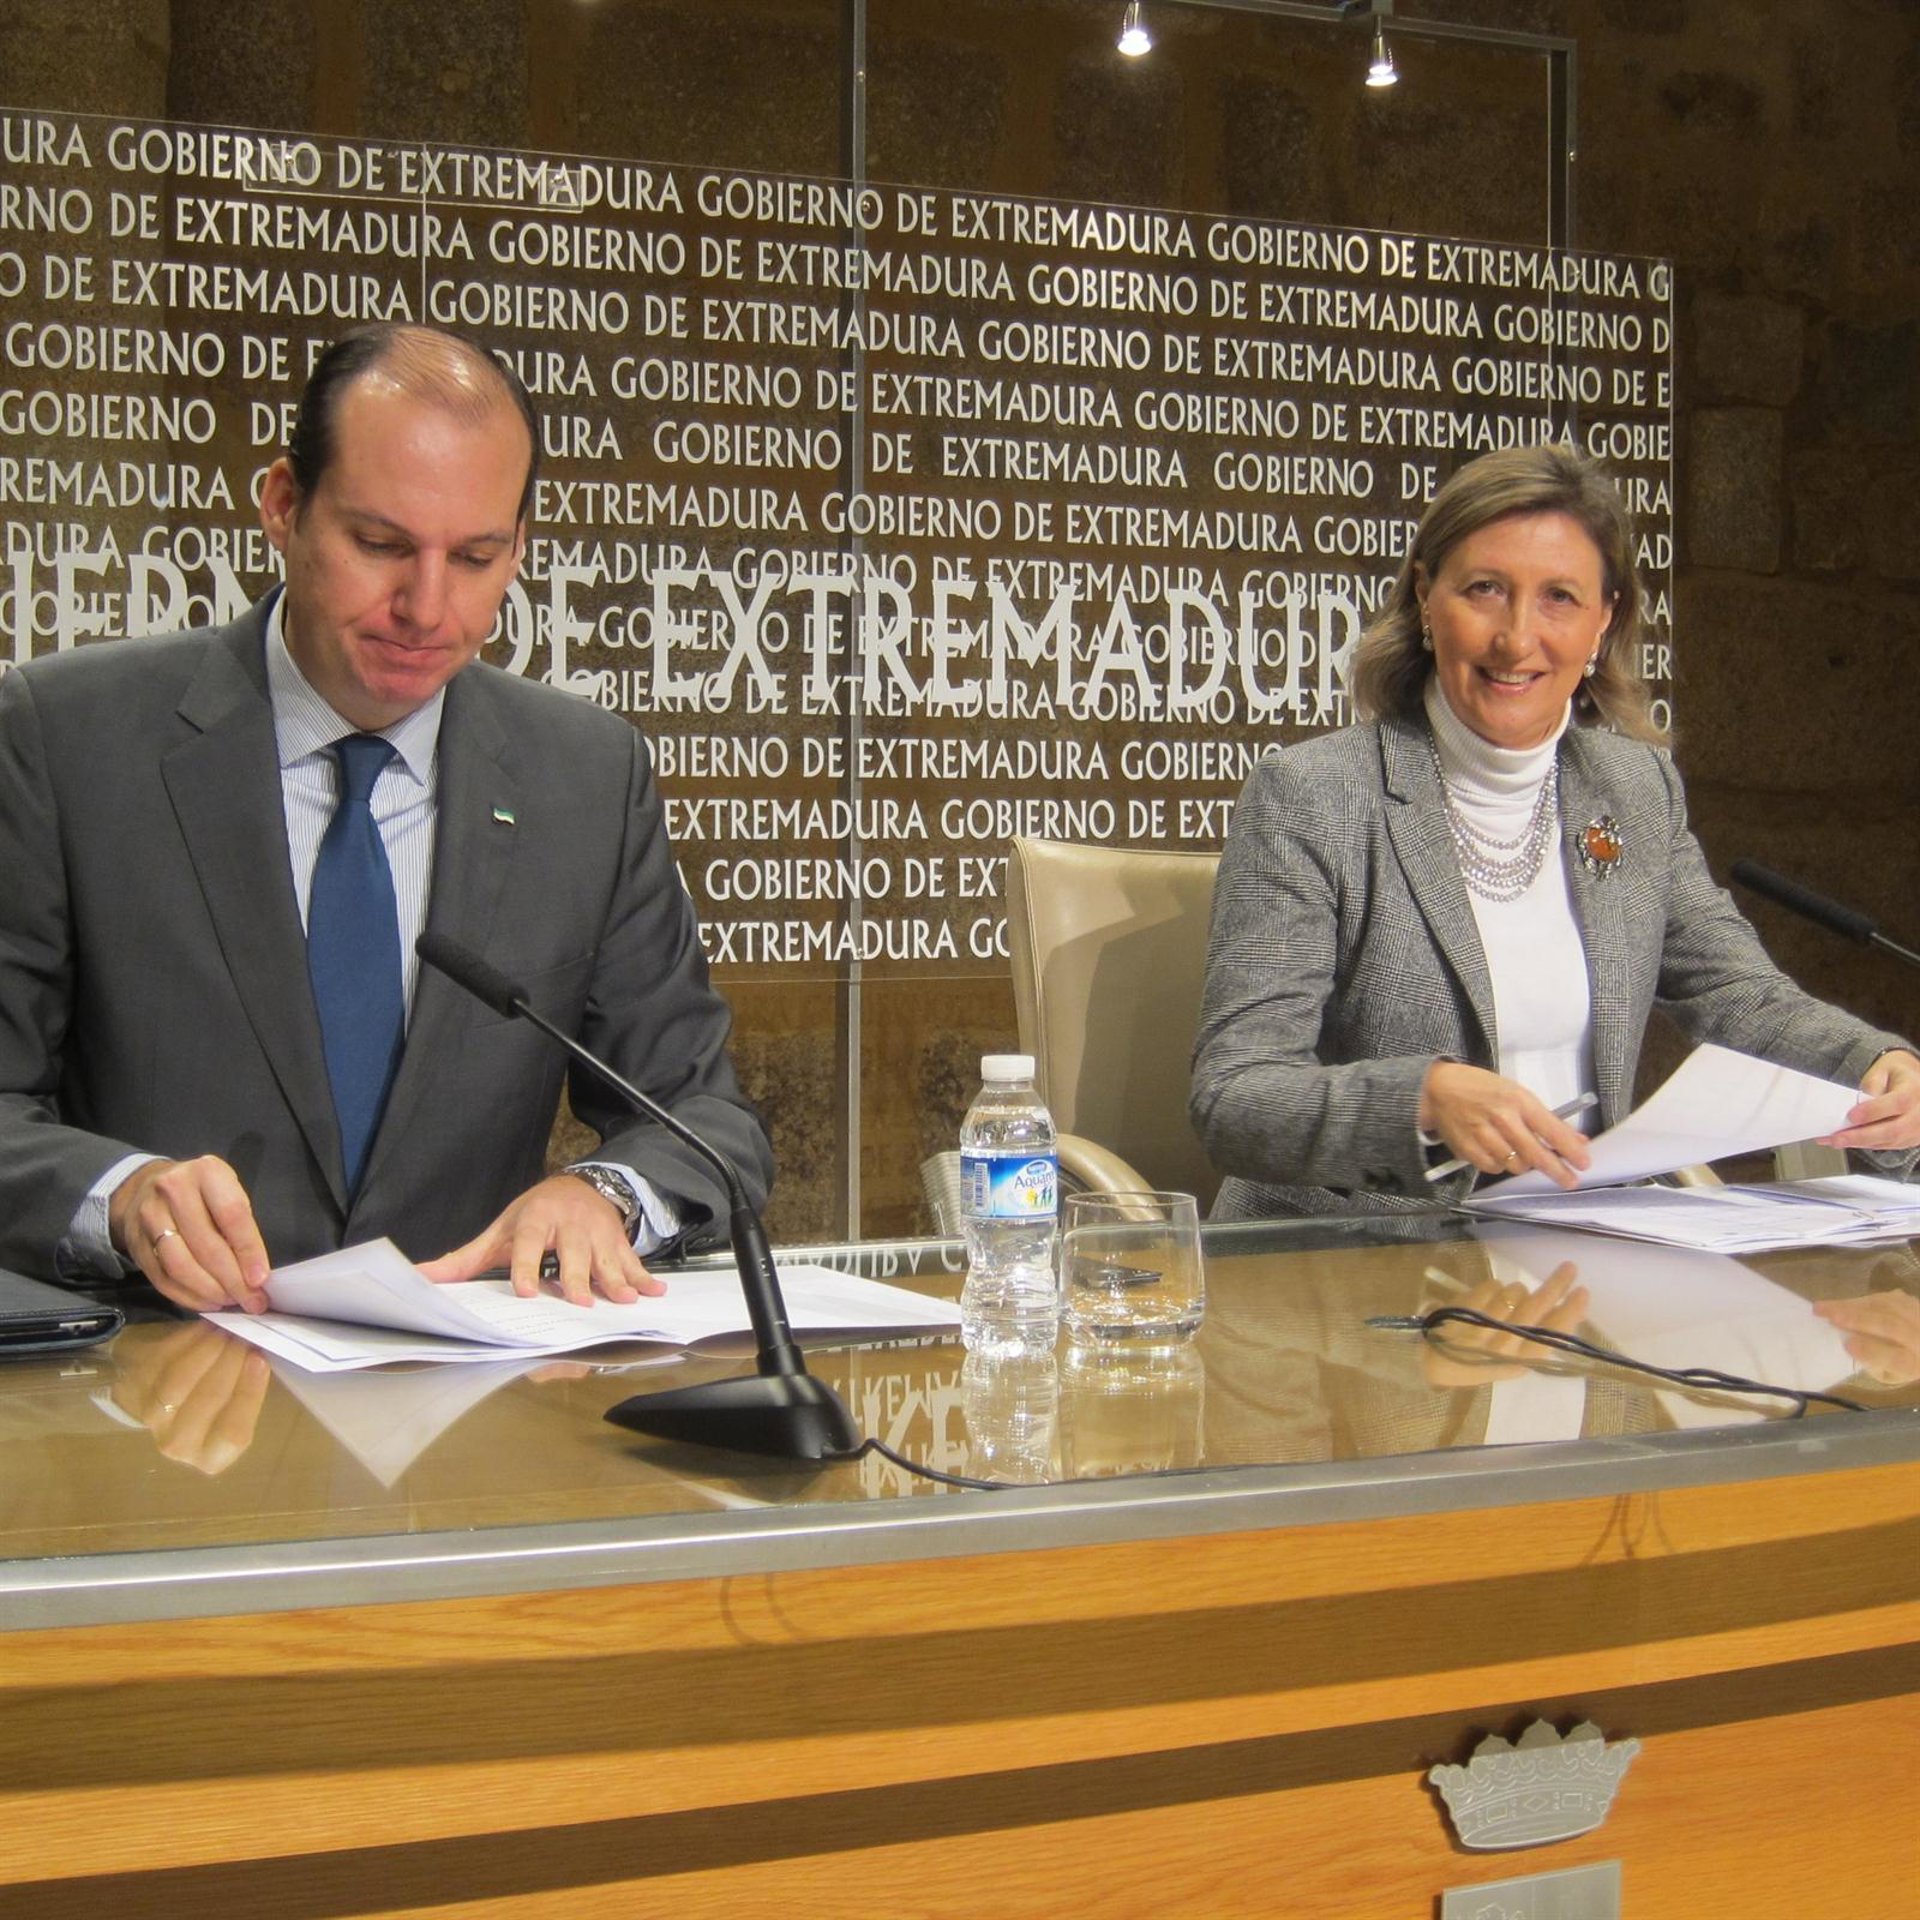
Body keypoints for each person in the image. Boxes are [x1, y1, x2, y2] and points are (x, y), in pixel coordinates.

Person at [0, 322, 771, 1310]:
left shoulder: (585, 777)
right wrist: (118, 1195)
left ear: (519, 548)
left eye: (476, 557)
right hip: (168, 1373)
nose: (426, 607)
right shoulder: (68, 740)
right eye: (381, 545)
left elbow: (705, 1116)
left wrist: (605, 1194)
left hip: (475, 1384)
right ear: (284, 505)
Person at [1190, 443, 1920, 1221]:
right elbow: (1234, 1094)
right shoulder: (1315, 796)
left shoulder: (1634, 790)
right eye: (1485, 590)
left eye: (1559, 599)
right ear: (1426, 599)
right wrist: (1421, 1100)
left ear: (1604, 622)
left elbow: (1739, 995)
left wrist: (1876, 1062)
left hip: (1575, 1245)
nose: (1516, 638)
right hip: (1351, 1255)